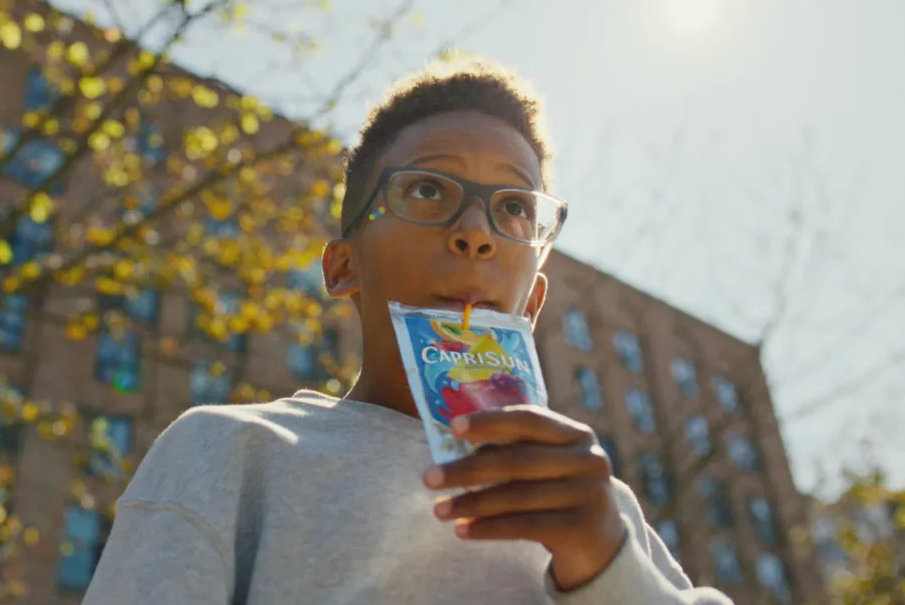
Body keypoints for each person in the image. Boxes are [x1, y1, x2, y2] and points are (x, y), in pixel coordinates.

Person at [82, 54, 734, 604]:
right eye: (427, 190)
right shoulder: (229, 451)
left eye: (513, 206)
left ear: (532, 301)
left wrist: (606, 562)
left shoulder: (595, 502)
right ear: (342, 267)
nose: (476, 233)